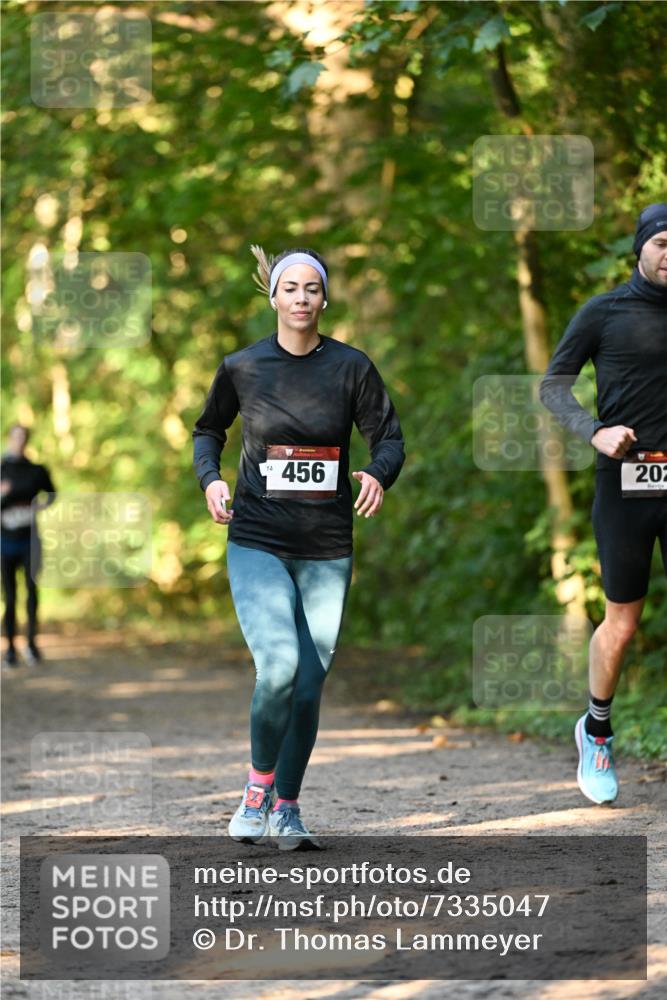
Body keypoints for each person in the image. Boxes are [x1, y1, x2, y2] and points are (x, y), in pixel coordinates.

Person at [192, 246, 405, 848]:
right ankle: (257, 787)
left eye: (313, 288)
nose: (302, 298)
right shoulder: (244, 366)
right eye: (291, 288)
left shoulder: (351, 368)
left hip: (326, 545)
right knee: (280, 665)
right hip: (257, 537)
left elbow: (388, 438)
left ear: (325, 298)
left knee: (309, 684)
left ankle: (287, 806)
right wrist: (211, 479)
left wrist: (375, 474)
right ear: (274, 296)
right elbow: (209, 429)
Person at [540, 203, 667, 805]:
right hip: (626, 488)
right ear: (640, 249)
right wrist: (594, 431)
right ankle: (596, 730)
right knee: (622, 624)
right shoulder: (605, 312)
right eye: (663, 243)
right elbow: (552, 384)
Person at [1, 424, 56, 667]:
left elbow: (52, 494)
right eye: (16, 437)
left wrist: (40, 506)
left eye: (23, 437)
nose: (19, 441)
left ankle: (32, 646)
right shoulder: (1, 468)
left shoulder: (36, 470)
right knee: (10, 597)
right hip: (4, 540)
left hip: (30, 540)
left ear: (27, 441)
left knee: (32, 593)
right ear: (9, 439)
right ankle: (10, 649)